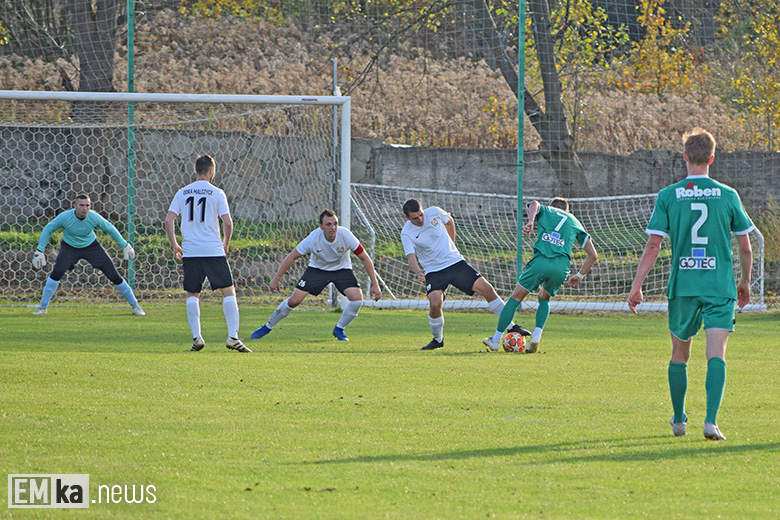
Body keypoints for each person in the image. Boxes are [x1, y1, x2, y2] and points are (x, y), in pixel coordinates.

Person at [628, 128, 754, 441]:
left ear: (684, 156)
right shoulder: (727, 195)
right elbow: (746, 246)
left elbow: (653, 245)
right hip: (718, 285)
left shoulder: (668, 195)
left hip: (683, 285)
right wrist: (745, 282)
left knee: (679, 356)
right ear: (712, 158)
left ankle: (680, 420)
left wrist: (636, 285)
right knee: (716, 355)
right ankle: (711, 422)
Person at [401, 199, 529, 351]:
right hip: (433, 270)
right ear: (407, 218)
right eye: (415, 218)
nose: (420, 219)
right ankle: (438, 340)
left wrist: (452, 246)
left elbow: (449, 222)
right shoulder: (406, 232)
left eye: (421, 214)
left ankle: (512, 327)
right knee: (435, 304)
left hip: (455, 263)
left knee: (487, 289)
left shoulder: (435, 212)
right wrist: (418, 272)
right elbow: (411, 257)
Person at [482, 197, 598, 353]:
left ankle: (495, 340)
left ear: (552, 207)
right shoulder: (575, 222)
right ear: (567, 210)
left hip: (541, 261)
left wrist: (530, 221)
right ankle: (536, 335)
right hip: (561, 266)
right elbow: (593, 255)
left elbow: (535, 203)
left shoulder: (547, 211)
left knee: (516, 298)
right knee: (544, 298)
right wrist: (580, 275)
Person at [250, 209, 381, 342]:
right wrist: (276, 278)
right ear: (321, 227)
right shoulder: (313, 238)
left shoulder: (346, 235)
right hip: (317, 270)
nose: (333, 227)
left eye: (335, 223)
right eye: (328, 224)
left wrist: (375, 285)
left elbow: (365, 258)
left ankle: (339, 328)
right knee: (294, 301)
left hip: (341, 269)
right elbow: (292, 256)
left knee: (357, 300)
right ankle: (267, 327)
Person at [164, 154, 251, 353]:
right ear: (211, 171)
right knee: (228, 291)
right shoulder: (217, 193)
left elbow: (169, 220)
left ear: (196, 171)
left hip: (191, 250)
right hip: (213, 249)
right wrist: (225, 244)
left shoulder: (182, 192)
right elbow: (228, 223)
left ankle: (197, 337)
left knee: (192, 293)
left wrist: (175, 244)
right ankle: (233, 337)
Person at [31, 194, 145, 316]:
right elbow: (48, 228)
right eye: (81, 205)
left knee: (114, 275)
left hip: (91, 247)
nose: (84, 208)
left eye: (87, 205)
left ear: (90, 206)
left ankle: (135, 306)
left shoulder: (94, 216)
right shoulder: (65, 217)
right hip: (69, 248)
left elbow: (110, 228)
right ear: (75, 206)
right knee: (56, 273)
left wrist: (125, 245)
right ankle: (43, 307)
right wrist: (39, 250)